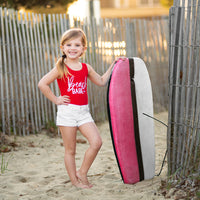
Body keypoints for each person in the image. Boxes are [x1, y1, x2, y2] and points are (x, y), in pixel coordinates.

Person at [38, 28, 122, 189]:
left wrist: (114, 63)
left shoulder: (86, 68)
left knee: (96, 142)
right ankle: (75, 182)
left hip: (84, 112)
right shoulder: (61, 67)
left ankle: (82, 172)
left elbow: (102, 81)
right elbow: (42, 84)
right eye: (69, 44)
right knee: (70, 150)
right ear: (62, 47)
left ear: (83, 49)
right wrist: (56, 99)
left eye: (77, 45)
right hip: (67, 113)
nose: (73, 48)